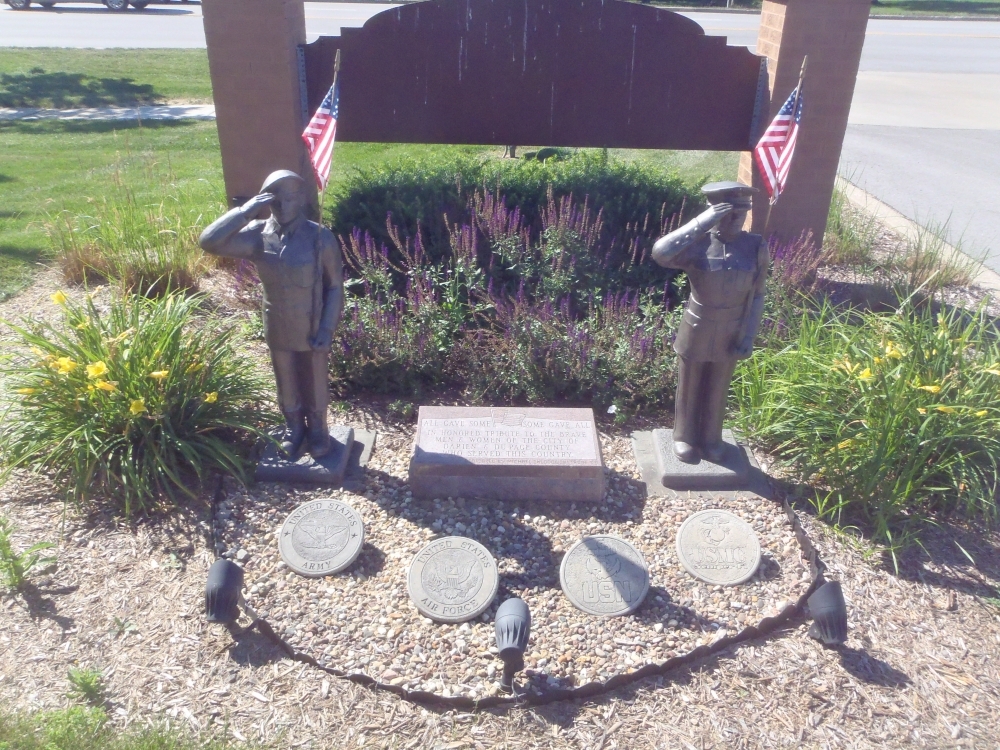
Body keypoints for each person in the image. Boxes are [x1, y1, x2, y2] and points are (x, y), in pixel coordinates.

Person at [199, 170, 344, 459]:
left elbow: (336, 287)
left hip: (312, 324)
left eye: (290, 197)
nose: (284, 205)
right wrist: (244, 212)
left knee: (315, 380)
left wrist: (327, 330)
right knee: (285, 380)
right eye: (276, 199)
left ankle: (318, 428)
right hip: (278, 324)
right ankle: (293, 428)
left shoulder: (320, 238)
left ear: (301, 198)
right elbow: (209, 242)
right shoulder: (257, 236)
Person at [650, 181, 768, 464]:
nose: (737, 218)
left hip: (732, 327)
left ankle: (711, 438)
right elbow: (660, 252)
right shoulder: (698, 246)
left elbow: (758, 294)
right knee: (690, 384)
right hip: (698, 326)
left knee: (719, 385)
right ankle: (684, 437)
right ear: (714, 212)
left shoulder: (754, 246)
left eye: (742, 212)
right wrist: (702, 222)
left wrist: (749, 336)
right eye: (729, 212)